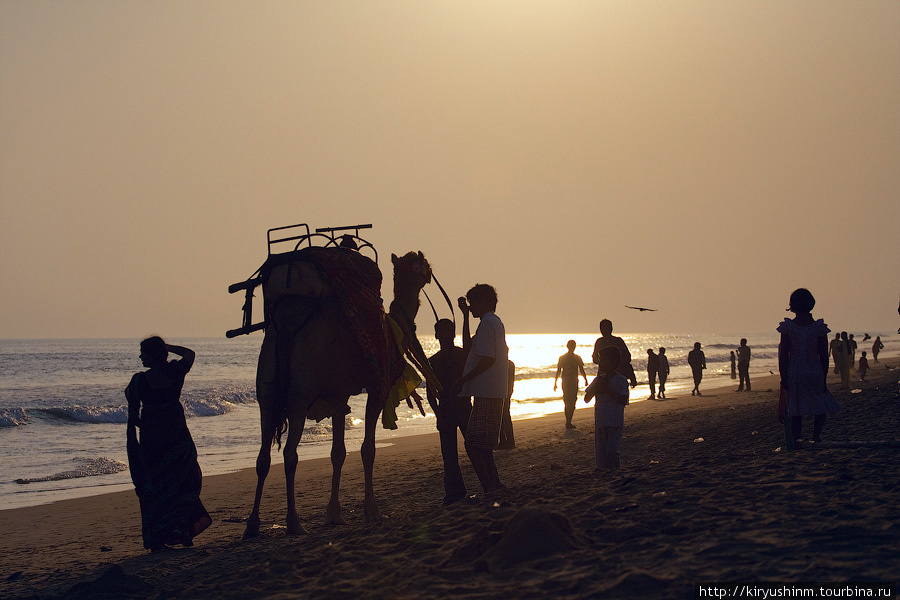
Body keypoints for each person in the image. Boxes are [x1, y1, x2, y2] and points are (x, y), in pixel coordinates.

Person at [125, 337, 211, 551]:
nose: (140, 357)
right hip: (177, 434)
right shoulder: (175, 372)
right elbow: (189, 354)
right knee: (184, 481)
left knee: (156, 486)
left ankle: (158, 536)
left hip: (152, 440)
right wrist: (169, 348)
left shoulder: (139, 381)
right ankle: (179, 529)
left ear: (152, 355)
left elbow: (133, 416)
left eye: (143, 353)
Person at [458, 285, 508, 494]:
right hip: (491, 390)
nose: (470, 308)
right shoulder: (491, 323)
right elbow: (469, 346)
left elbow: (487, 359)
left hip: (487, 391)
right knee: (483, 444)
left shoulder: (488, 323)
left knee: (472, 444)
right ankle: (494, 484)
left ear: (485, 302)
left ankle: (489, 486)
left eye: (473, 303)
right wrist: (465, 317)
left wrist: (464, 380)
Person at [777, 288, 840, 443]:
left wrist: (783, 375)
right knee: (819, 401)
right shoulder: (819, 328)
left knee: (795, 404)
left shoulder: (788, 327)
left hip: (795, 369)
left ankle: (797, 437)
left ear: (792, 305)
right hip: (814, 368)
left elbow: (783, 354)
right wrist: (824, 374)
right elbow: (824, 355)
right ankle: (816, 435)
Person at [425, 317, 472, 506]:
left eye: (448, 331)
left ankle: (488, 483)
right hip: (445, 411)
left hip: (464, 407)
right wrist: (438, 413)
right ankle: (454, 493)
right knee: (449, 456)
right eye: (441, 331)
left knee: (476, 447)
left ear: (453, 334)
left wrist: (465, 315)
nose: (445, 335)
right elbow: (430, 392)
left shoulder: (463, 355)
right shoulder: (432, 361)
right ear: (436, 335)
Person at [584, 346, 629, 471]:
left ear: (613, 362)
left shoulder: (621, 380)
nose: (600, 363)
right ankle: (605, 473)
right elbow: (586, 398)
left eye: (603, 360)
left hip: (615, 421)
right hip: (601, 421)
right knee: (601, 454)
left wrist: (608, 391)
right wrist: (594, 390)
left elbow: (623, 400)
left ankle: (615, 471)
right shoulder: (598, 379)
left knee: (611, 451)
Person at [553, 340, 589, 430]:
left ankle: (568, 421)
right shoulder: (577, 358)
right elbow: (581, 370)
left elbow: (558, 371)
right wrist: (585, 379)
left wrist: (555, 382)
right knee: (571, 401)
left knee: (568, 401)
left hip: (566, 381)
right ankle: (568, 422)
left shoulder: (563, 358)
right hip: (571, 381)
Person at [592, 319, 637, 388]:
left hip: (611, 376)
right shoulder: (603, 342)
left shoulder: (602, 342)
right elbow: (627, 358)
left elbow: (627, 357)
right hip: (611, 375)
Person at [498, 360, 516, 449]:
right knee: (505, 415)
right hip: (507, 391)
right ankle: (508, 440)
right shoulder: (510, 363)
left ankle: (505, 441)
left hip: (502, 392)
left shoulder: (502, 363)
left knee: (502, 416)